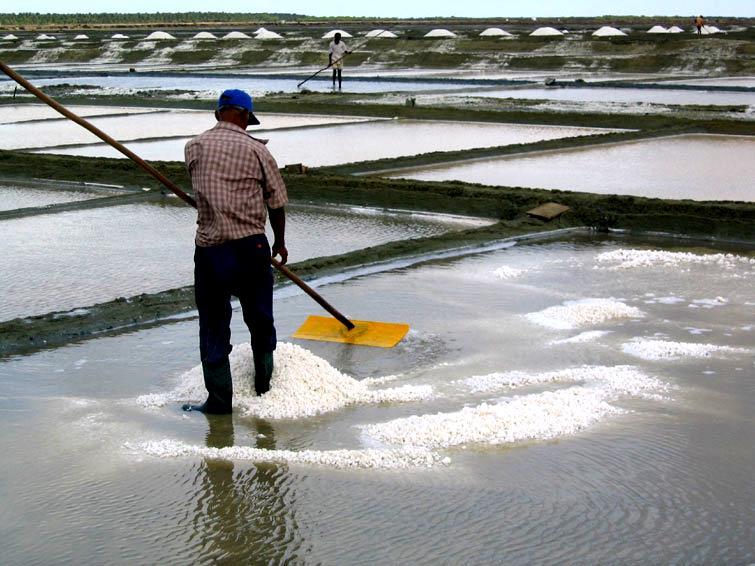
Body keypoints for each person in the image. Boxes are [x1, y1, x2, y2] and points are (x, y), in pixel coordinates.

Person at [182, 88, 288, 415]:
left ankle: (218, 402)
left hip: (211, 249)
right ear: (243, 116)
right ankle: (264, 388)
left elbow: (203, 188)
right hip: (251, 248)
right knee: (260, 318)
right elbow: (277, 201)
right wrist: (279, 242)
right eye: (247, 120)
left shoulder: (194, 147)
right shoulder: (258, 150)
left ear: (218, 113)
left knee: (213, 323)